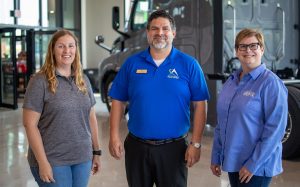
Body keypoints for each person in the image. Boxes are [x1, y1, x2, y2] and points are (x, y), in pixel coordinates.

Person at [108, 9, 210, 187]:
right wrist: (114, 135)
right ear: (147, 33)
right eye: (154, 29)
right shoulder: (132, 64)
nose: (160, 33)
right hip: (137, 147)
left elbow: (200, 104)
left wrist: (196, 143)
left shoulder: (189, 65)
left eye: (165, 28)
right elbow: (118, 100)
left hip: (174, 149)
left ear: (173, 33)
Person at [23, 29, 101, 187]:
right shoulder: (39, 81)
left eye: (71, 46)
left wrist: (96, 152)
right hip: (52, 159)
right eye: (61, 46)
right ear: (52, 49)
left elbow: (91, 117)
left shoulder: (83, 79)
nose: (67, 51)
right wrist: (42, 162)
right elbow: (29, 125)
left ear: (76, 50)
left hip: (82, 158)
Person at [210, 28, 288, 187]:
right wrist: (216, 155)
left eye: (253, 45)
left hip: (256, 167)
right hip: (233, 161)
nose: (248, 51)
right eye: (243, 46)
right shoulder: (230, 82)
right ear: (237, 51)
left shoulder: (270, 83)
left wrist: (253, 163)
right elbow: (222, 122)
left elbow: (275, 131)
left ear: (262, 49)